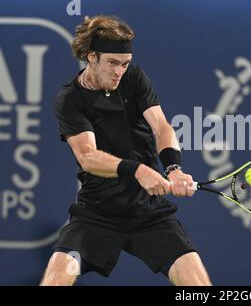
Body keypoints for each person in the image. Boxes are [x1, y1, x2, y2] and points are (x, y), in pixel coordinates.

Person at [40, 15, 211, 286]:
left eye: (124, 64)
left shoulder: (133, 78)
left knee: (198, 286)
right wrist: (138, 170)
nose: (119, 71)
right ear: (91, 57)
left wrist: (173, 168)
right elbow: (88, 157)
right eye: (112, 63)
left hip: (148, 212)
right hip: (96, 213)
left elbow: (162, 127)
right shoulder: (70, 99)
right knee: (55, 278)